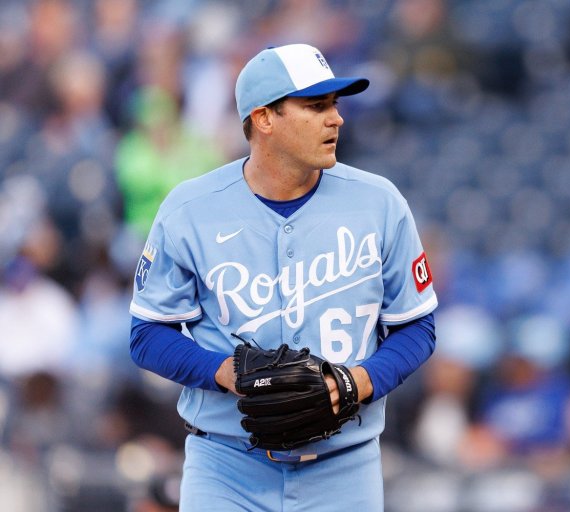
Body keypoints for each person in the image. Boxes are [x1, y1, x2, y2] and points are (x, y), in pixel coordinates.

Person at [128, 43, 438, 511]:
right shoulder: (190, 210)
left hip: (345, 467)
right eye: (316, 107)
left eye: (334, 105)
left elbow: (418, 325)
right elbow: (147, 334)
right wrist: (221, 371)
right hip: (225, 465)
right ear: (264, 119)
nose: (336, 119)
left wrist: (360, 380)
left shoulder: (380, 203)